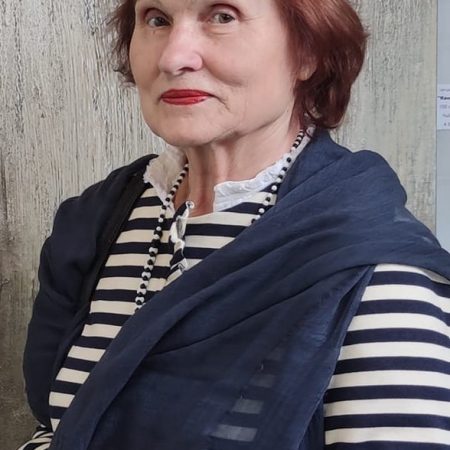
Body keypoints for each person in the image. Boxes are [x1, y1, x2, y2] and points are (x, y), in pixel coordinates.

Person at [18, 0, 450, 449]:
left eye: (222, 16)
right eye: (156, 19)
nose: (173, 57)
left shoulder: (371, 274)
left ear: (308, 52)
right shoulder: (97, 223)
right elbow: (57, 427)